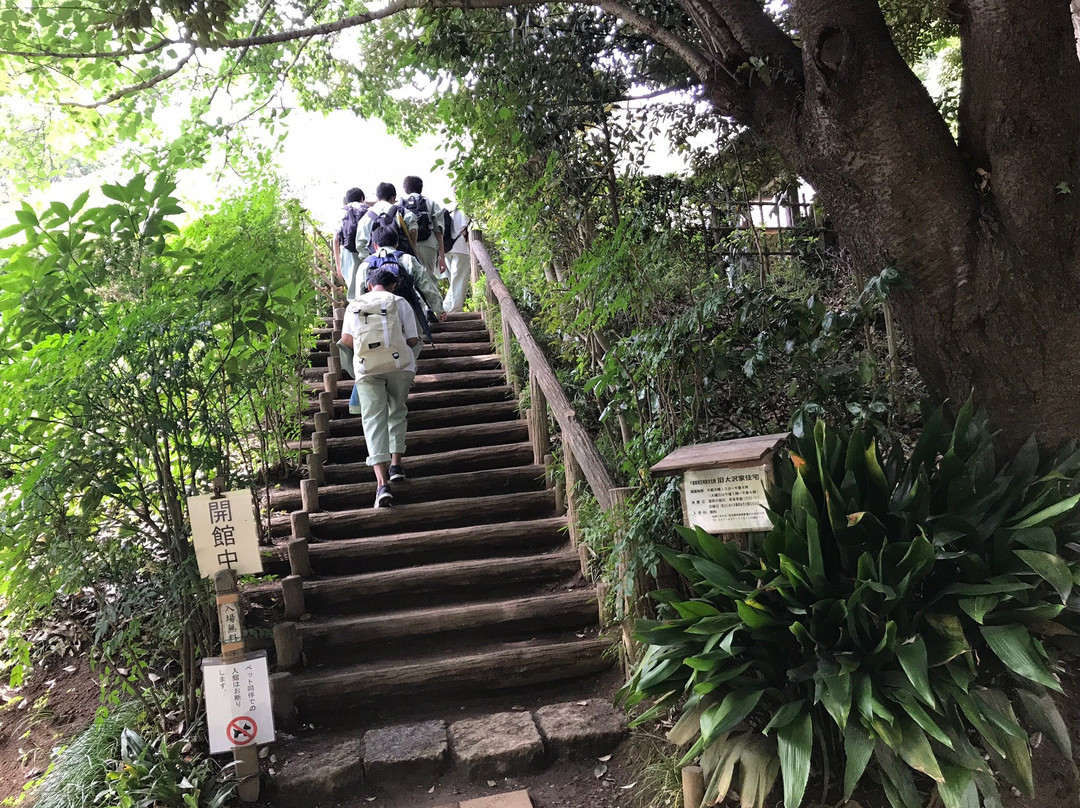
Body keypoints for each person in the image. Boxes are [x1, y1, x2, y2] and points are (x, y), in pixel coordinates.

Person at [339, 267, 420, 508]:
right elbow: (413, 340)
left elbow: (346, 341)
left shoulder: (355, 304)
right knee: (397, 410)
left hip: (366, 369)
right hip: (400, 366)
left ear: (368, 284)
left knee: (373, 420)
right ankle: (396, 465)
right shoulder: (400, 302)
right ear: (393, 285)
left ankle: (381, 485)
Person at [356, 224, 447, 333]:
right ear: (396, 244)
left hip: (376, 315)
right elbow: (426, 285)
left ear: (375, 245)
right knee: (414, 341)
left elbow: (359, 296)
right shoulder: (407, 259)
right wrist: (439, 310)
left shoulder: (365, 265)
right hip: (407, 311)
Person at [401, 175, 447, 286]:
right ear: (421, 188)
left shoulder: (401, 205)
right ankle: (431, 303)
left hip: (408, 247)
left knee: (410, 279)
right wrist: (442, 256)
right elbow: (438, 231)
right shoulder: (431, 203)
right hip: (428, 246)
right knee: (429, 279)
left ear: (405, 189)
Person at [355, 182, 417, 258]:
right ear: (393, 198)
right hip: (399, 259)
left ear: (377, 198)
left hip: (376, 263)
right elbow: (413, 229)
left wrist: (369, 260)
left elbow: (360, 244)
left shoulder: (367, 217)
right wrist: (412, 247)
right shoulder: (402, 212)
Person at [333, 187, 369, 293]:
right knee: (368, 282)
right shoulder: (368, 210)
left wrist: (338, 265)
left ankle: (355, 307)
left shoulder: (341, 212)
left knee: (353, 286)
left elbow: (336, 238)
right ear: (362, 198)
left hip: (348, 252)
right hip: (367, 251)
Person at [442, 206, 472, 314]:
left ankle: (446, 308)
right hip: (460, 248)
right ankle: (453, 309)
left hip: (448, 248)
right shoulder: (463, 209)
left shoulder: (450, 208)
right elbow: (464, 230)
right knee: (459, 281)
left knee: (454, 281)